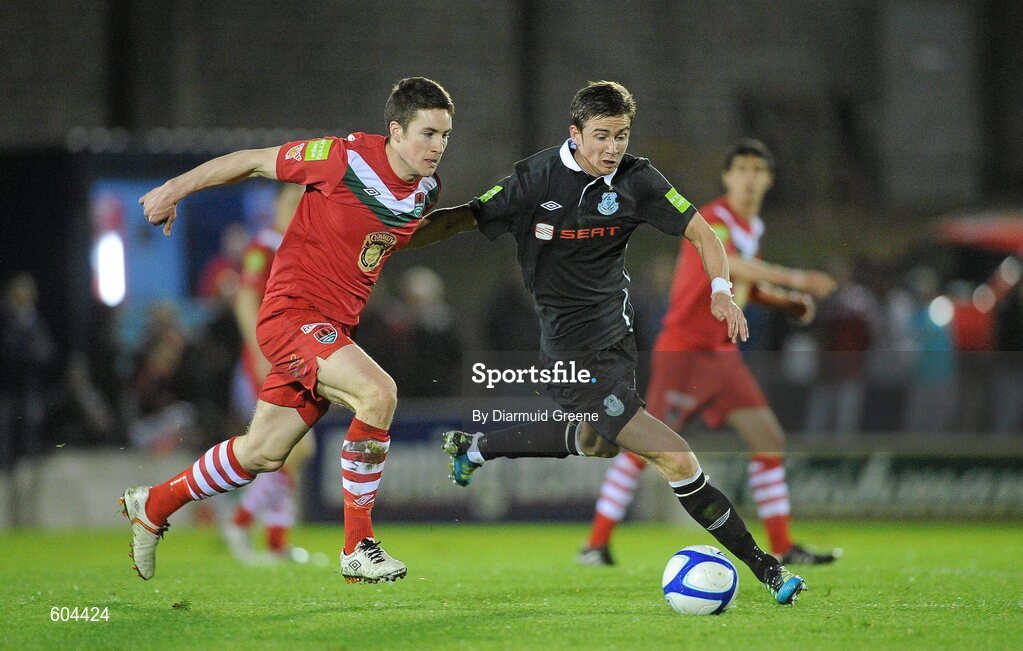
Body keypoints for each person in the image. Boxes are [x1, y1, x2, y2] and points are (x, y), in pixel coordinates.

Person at [410, 82, 806, 605]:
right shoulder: (533, 180)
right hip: (570, 354)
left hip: (618, 343)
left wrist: (721, 292)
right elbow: (464, 217)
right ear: (574, 135)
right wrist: (393, 232)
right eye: (601, 136)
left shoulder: (638, 180)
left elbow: (704, 234)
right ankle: (768, 570)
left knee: (596, 442)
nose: (612, 148)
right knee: (678, 457)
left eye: (621, 135)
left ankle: (476, 446)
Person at [120, 77, 454, 584]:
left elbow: (404, 236)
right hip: (293, 316)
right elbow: (253, 160)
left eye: (446, 136)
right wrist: (174, 190)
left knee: (265, 451)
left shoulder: (425, 193)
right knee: (378, 394)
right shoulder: (341, 159)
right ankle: (357, 545)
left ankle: (155, 503)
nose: (438, 146)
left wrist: (484, 215)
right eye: (428, 133)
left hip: (333, 327)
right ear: (396, 130)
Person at [577, 139, 840, 567]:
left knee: (768, 440)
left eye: (758, 169)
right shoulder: (713, 218)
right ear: (727, 177)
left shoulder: (752, 228)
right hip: (684, 351)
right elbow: (729, 264)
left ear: (769, 179)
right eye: (741, 168)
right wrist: (795, 280)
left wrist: (783, 303)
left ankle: (783, 545)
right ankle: (595, 543)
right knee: (647, 446)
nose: (749, 177)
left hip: (721, 355)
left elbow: (743, 288)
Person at [221, 183, 317, 564]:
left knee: (288, 449)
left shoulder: (298, 248)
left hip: (292, 356)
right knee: (296, 446)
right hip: (267, 356)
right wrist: (259, 351)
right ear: (277, 205)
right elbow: (245, 299)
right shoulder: (265, 245)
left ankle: (276, 542)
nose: (298, 209)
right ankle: (241, 521)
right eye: (292, 201)